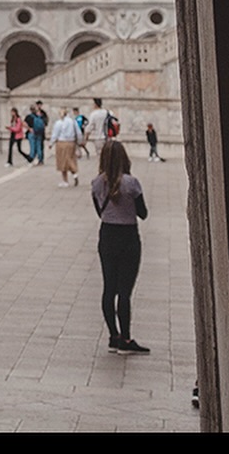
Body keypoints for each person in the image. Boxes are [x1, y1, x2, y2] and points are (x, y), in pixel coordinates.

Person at [92, 140, 150, 354]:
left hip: (107, 235)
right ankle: (126, 339)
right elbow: (143, 213)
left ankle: (113, 336)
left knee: (109, 287)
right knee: (124, 291)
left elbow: (100, 212)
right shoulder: (131, 183)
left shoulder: (97, 183)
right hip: (128, 237)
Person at [52, 104, 82, 186]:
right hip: (71, 143)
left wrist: (51, 143)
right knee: (71, 159)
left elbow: (55, 133)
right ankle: (74, 173)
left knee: (62, 162)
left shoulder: (59, 123)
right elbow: (78, 133)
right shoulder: (73, 121)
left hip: (61, 143)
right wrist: (79, 142)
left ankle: (65, 181)